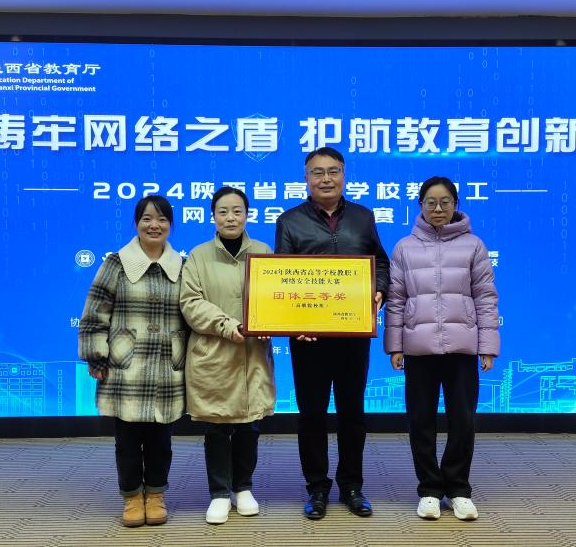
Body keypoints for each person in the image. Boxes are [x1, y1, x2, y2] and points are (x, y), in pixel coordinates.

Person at [274, 147, 390, 520]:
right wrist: (293, 321)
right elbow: (281, 276)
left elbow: (381, 262)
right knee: (312, 415)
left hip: (353, 335)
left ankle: (352, 486)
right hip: (308, 339)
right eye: (318, 172)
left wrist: (379, 290)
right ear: (306, 178)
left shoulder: (363, 216)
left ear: (344, 174)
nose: (326, 179)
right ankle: (317, 488)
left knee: (352, 413)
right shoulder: (289, 221)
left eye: (333, 171)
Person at [384, 176, 500, 522]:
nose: (438, 208)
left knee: (463, 420)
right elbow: (396, 300)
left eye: (445, 202)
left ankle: (458, 489)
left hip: (462, 348)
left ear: (455, 205)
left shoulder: (473, 246)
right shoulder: (404, 247)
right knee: (420, 421)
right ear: (420, 205)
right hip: (418, 349)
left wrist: (487, 346)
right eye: (431, 202)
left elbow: (485, 297)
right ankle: (430, 490)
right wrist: (394, 345)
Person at [78, 195, 189, 528]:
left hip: (167, 369)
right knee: (127, 441)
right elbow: (95, 312)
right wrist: (96, 354)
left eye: (162, 219)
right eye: (147, 219)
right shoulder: (116, 263)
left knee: (161, 442)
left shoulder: (183, 266)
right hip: (125, 368)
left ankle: (155, 495)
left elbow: (193, 315)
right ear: (137, 223)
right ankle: (131, 497)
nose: (154, 225)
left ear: (170, 225)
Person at [179, 186, 276, 525]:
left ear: (247, 215)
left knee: (249, 425)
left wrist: (271, 321)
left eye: (237, 211)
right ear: (213, 217)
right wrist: (226, 325)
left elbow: (275, 295)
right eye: (223, 211)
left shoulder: (263, 252)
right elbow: (191, 303)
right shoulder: (198, 256)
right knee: (218, 427)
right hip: (215, 353)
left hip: (252, 355)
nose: (230, 217)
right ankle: (220, 493)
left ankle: (243, 487)